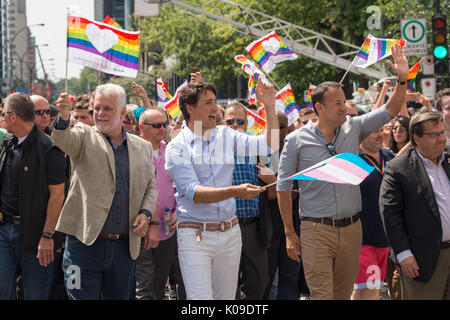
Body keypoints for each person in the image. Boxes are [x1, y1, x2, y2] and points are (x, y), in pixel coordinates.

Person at [276, 43, 409, 300]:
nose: (344, 108)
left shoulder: (353, 127)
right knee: (322, 295)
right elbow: (283, 187)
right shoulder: (296, 140)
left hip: (352, 229)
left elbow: (390, 110)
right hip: (316, 230)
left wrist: (401, 80)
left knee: (342, 295)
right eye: (337, 103)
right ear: (319, 108)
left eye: (343, 102)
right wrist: (290, 233)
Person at [165, 79, 279, 300]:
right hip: (195, 234)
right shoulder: (177, 147)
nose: (216, 108)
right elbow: (194, 192)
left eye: (215, 102)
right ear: (190, 108)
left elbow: (269, 145)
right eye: (208, 103)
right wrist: (235, 191)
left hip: (230, 233)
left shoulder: (226, 135)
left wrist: (270, 105)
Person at [52, 84, 159, 300]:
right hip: (82, 247)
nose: (100, 114)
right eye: (96, 108)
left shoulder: (142, 147)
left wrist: (146, 214)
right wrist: (63, 118)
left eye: (107, 109)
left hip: (123, 248)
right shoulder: (82, 134)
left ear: (122, 113)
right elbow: (62, 139)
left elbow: (151, 187)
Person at [0, 93, 66, 299]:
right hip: (4, 233)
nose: (0, 119)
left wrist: (48, 237)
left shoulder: (49, 149)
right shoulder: (7, 144)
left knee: (35, 294)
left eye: (3, 115)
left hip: (36, 238)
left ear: (12, 117)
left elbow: (57, 196)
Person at [380, 110, 449, 299]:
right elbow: (390, 215)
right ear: (417, 138)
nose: (442, 139)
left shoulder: (448, 161)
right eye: (435, 135)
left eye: (443, 132)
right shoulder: (398, 168)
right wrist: (403, 254)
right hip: (421, 259)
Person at [224, 102, 276, 300]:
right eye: (230, 121)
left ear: (247, 123)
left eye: (240, 121)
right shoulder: (214, 151)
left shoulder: (258, 149)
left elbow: (271, 194)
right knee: (226, 281)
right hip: (226, 225)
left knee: (260, 279)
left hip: (253, 226)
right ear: (223, 122)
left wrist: (272, 180)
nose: (235, 125)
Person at [135, 109, 178, 300]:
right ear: (141, 128)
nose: (163, 128)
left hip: (167, 229)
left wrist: (177, 213)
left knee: (160, 283)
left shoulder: (171, 151)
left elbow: (179, 187)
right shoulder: (132, 151)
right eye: (157, 125)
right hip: (138, 229)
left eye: (164, 124)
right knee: (143, 286)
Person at [351, 127, 394, 300]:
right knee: (369, 292)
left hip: (385, 240)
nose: (380, 134)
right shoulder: (353, 159)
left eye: (382, 130)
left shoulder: (389, 157)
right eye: (374, 131)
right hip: (363, 240)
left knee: (369, 291)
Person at [264, 111, 303, 300]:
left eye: (281, 126)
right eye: (273, 126)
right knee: (265, 279)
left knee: (290, 278)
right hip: (267, 227)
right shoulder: (259, 154)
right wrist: (276, 188)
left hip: (293, 225)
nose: (278, 131)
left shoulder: (295, 151)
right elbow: (261, 193)